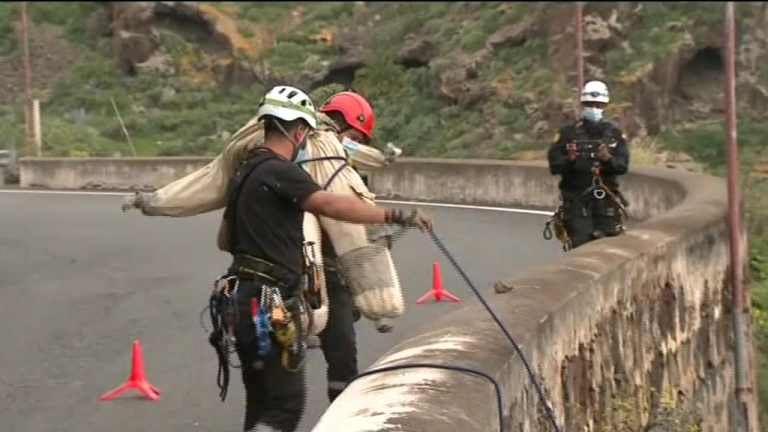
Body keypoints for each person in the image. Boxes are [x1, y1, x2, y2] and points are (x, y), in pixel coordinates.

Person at [209, 85, 432, 432]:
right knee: (285, 407)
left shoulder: (242, 173)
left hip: (238, 303)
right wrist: (395, 215)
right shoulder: (282, 172)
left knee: (261, 405)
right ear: (299, 131)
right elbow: (330, 204)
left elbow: (225, 241)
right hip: (271, 305)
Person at [546, 80, 630, 250]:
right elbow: (554, 165)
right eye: (590, 104)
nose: (594, 108)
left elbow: (622, 167)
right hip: (576, 202)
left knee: (609, 249)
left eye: (598, 105)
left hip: (606, 202)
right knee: (581, 247)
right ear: (583, 104)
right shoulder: (567, 133)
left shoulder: (614, 134)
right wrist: (569, 160)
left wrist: (607, 159)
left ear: (604, 106)